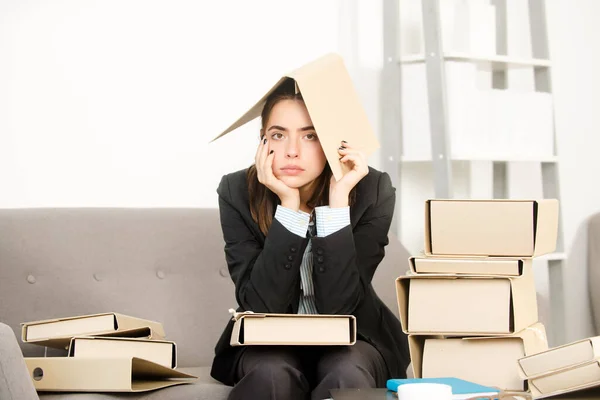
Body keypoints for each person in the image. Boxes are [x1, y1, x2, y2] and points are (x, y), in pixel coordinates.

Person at [210, 78, 410, 400]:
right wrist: (289, 207)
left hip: (354, 337)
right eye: (278, 135)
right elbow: (261, 305)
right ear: (263, 142)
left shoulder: (373, 190)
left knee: (346, 372)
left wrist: (338, 203)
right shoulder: (236, 191)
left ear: (333, 141)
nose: (291, 151)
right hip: (268, 340)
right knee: (271, 374)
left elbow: (340, 305)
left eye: (310, 136)